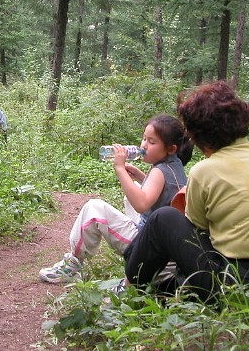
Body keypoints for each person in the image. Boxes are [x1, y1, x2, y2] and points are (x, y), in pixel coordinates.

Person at [124, 81, 249, 304]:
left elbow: (197, 236)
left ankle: (129, 291)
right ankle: (166, 290)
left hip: (248, 288)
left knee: (163, 219)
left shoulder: (204, 170)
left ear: (197, 136)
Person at [39, 114, 193, 284]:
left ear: (170, 149)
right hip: (167, 251)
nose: (144, 145)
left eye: (152, 142)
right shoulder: (174, 165)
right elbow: (166, 193)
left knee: (94, 209)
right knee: (134, 193)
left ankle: (72, 264)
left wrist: (120, 169)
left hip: (147, 247)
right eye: (144, 139)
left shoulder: (159, 171)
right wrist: (141, 177)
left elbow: (141, 204)